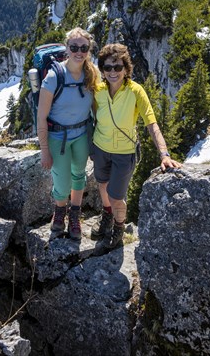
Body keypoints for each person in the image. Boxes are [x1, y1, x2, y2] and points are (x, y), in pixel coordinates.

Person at [91, 43, 182, 249]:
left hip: (124, 152)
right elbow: (92, 116)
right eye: (107, 67)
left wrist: (164, 154)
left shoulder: (135, 91)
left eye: (118, 67)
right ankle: (106, 215)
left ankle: (119, 227)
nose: (113, 72)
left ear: (126, 68)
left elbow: (152, 123)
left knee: (117, 196)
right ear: (102, 70)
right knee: (103, 185)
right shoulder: (98, 91)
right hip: (100, 147)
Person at [37, 28, 98, 240]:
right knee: (62, 183)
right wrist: (45, 150)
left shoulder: (92, 74)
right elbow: (41, 117)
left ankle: (74, 214)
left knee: (79, 175)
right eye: (74, 47)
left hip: (81, 134)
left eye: (84, 48)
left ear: (89, 50)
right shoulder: (54, 77)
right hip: (57, 138)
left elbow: (97, 109)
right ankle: (59, 211)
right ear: (67, 48)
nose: (79, 52)